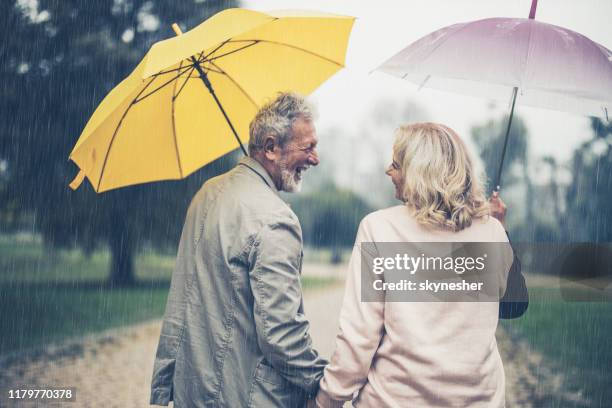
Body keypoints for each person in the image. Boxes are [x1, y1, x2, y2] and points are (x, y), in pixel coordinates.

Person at [314, 122, 527, 408]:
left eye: (396, 164)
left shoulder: (378, 228)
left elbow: (359, 336)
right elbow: (513, 304)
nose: (389, 172)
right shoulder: (491, 231)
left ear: (418, 171)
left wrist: (327, 400)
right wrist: (500, 232)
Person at [150, 92, 327, 407]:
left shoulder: (207, 194)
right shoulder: (276, 219)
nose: (315, 159)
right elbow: (281, 335)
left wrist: (164, 387)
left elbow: (178, 304)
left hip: (193, 393)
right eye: (308, 147)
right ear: (270, 148)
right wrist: (323, 382)